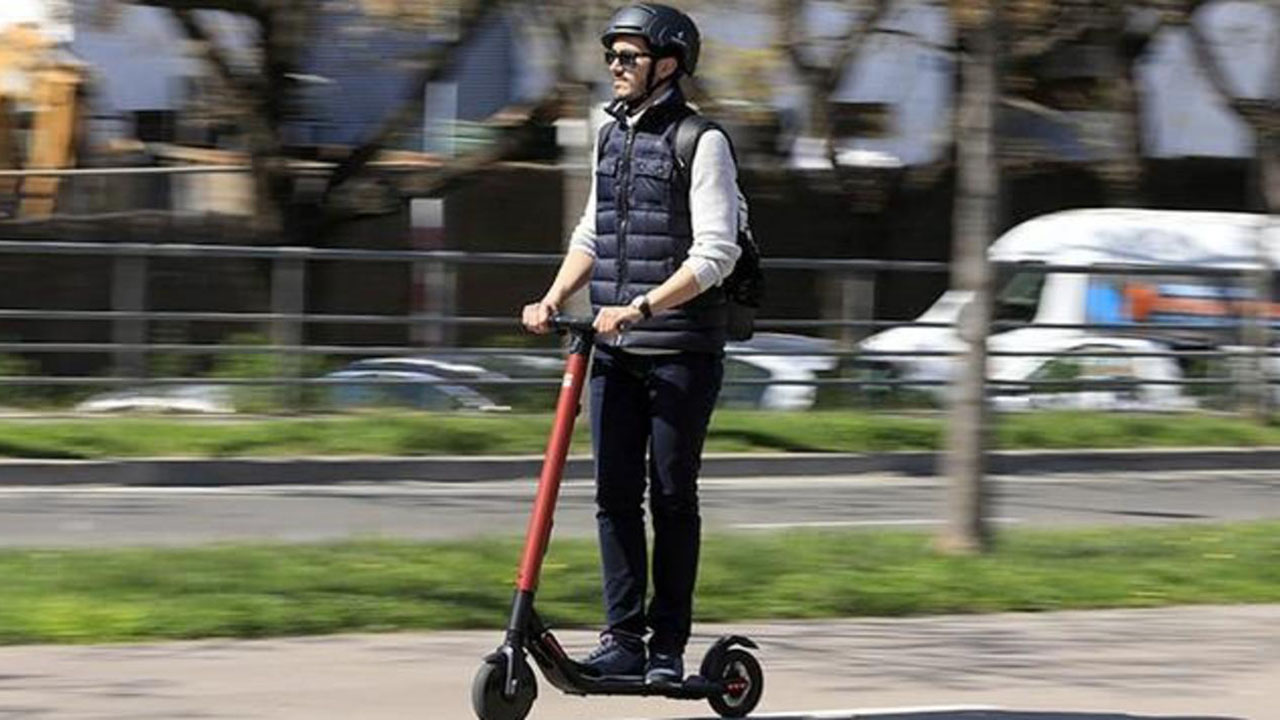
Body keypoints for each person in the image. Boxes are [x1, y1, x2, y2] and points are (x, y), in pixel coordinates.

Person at [520, 2, 741, 687]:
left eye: (629, 56)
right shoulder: (609, 136)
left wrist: (641, 307)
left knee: (671, 494)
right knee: (614, 494)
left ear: (668, 64)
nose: (615, 66)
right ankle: (623, 639)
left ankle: (668, 643)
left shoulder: (702, 142)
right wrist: (556, 297)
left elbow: (715, 256)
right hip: (612, 349)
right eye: (611, 55)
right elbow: (593, 231)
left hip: (681, 348)